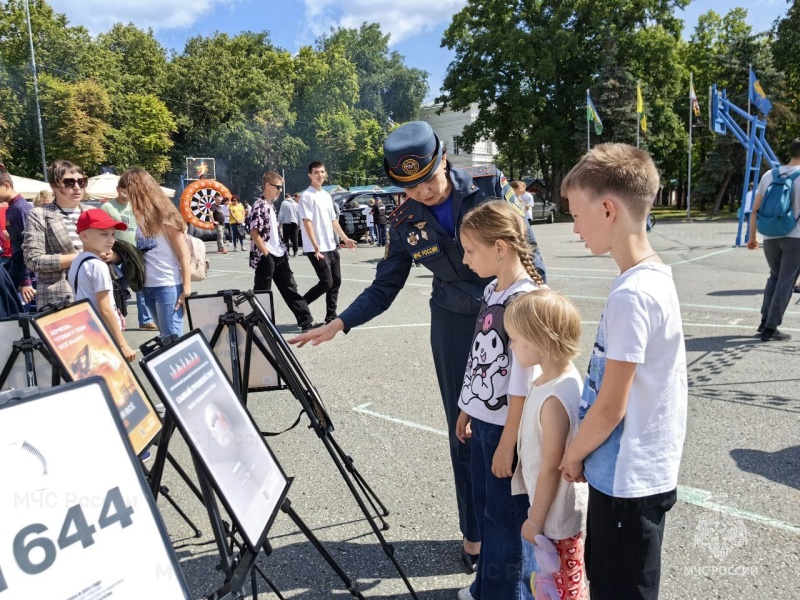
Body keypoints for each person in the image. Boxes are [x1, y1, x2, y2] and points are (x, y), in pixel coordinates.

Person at [290, 121, 546, 571]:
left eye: (428, 179)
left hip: (512, 315)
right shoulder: (404, 217)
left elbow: (530, 253)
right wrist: (341, 322)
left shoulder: (489, 187)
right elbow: (385, 286)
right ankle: (475, 536)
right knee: (465, 432)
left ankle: (524, 526)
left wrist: (537, 316)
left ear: (443, 159)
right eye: (410, 185)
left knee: (521, 424)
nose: (423, 192)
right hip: (452, 326)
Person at [559, 143, 687, 600]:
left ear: (608, 209)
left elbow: (612, 405)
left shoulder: (631, 295)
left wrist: (573, 454)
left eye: (575, 214)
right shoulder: (652, 278)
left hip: (628, 480)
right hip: (637, 473)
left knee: (619, 587)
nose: (573, 228)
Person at [453, 201, 543, 600]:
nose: (465, 259)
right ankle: (487, 585)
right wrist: (466, 407)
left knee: (506, 518)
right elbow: (480, 357)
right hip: (485, 422)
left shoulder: (524, 300)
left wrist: (508, 442)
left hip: (509, 428)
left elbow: (523, 382)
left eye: (471, 250)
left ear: (501, 247)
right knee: (486, 510)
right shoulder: (493, 289)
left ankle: (506, 593)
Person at [506, 289, 588, 600]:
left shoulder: (555, 399)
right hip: (548, 512)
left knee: (558, 589)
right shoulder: (548, 378)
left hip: (554, 521)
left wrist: (535, 520)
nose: (512, 345)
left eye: (516, 339)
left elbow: (552, 468)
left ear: (541, 341)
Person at [118, 168, 190, 338]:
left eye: (126, 190)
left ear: (136, 189)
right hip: (146, 286)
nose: (124, 195)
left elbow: (183, 254)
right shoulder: (138, 216)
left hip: (167, 284)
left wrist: (186, 290)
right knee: (165, 338)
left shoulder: (166, 215)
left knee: (172, 339)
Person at [249, 171, 319, 331]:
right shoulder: (258, 205)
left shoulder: (270, 205)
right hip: (266, 255)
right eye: (277, 187)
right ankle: (261, 324)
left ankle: (306, 320)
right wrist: (266, 254)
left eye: (281, 188)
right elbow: (254, 232)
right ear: (267, 185)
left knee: (290, 287)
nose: (280, 190)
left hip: (279, 254)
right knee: (262, 292)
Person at [747, 138, 800, 341]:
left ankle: (764, 321)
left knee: (775, 277)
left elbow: (755, 210)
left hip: (769, 236)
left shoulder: (770, 174)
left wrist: (752, 237)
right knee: (786, 282)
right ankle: (771, 327)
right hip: (795, 237)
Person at [69, 209, 136, 362]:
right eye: (103, 234)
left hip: (88, 329)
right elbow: (105, 308)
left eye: (113, 234)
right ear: (84, 236)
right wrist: (123, 344)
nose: (111, 240)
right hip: (103, 332)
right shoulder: (97, 266)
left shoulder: (78, 261)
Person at [23, 160, 92, 309]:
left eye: (81, 182)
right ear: (54, 186)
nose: (77, 187)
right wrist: (81, 257)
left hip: (95, 290)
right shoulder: (40, 214)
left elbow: (113, 248)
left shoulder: (92, 212)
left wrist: (112, 255)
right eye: (69, 182)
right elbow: (33, 260)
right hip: (60, 296)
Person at [298, 161, 356, 324]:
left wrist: (345, 238)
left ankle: (331, 316)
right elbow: (307, 221)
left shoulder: (326, 196)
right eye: (316, 172)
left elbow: (333, 220)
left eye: (322, 172)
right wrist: (315, 244)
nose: (320, 175)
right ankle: (300, 306)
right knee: (326, 282)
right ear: (310, 175)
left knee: (336, 281)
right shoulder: (307, 196)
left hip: (330, 245)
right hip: (316, 247)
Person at [101, 181, 157, 331]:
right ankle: (117, 321)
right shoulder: (107, 207)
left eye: (129, 189)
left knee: (140, 285)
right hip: (117, 252)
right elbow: (102, 230)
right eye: (123, 188)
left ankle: (145, 320)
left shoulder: (135, 206)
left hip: (135, 251)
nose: (126, 192)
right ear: (118, 189)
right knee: (118, 290)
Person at [0, 168, 36, 307]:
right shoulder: (12, 208)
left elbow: (30, 246)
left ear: (6, 186)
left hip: (27, 278)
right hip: (17, 271)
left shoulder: (22, 209)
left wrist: (26, 281)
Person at [277, 192, 300, 256]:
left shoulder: (284, 203)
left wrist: (279, 222)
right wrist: (299, 224)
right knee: (295, 238)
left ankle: (287, 252)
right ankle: (295, 252)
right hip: (295, 222)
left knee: (286, 238)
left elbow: (281, 213)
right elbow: (299, 215)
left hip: (286, 223)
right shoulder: (296, 204)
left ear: (285, 197)